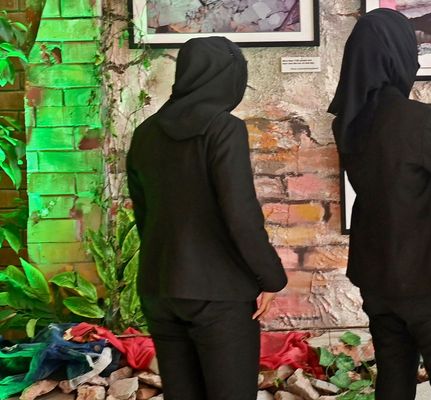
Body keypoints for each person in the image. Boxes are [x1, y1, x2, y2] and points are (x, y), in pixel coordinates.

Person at [328, 9, 431, 399]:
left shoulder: (346, 120)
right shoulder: (419, 118)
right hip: (426, 272)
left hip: (375, 272)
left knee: (393, 378)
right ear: (397, 53)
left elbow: (386, 183)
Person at [126, 37, 287, 400]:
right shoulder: (223, 128)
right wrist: (270, 277)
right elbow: (240, 214)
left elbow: (145, 217)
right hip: (220, 292)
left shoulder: (145, 134)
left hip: (159, 287)